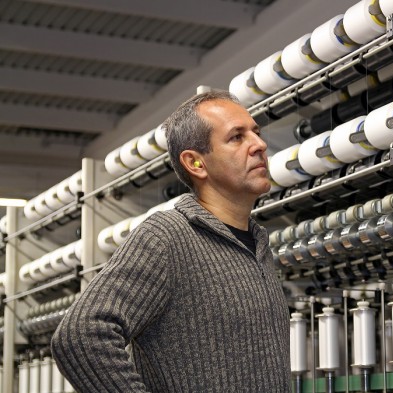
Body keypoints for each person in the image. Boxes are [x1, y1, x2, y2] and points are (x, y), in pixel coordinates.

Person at [51, 91, 291, 392]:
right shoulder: (166, 237)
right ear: (195, 163)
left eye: (256, 132)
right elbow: (80, 336)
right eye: (237, 137)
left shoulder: (257, 245)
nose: (260, 144)